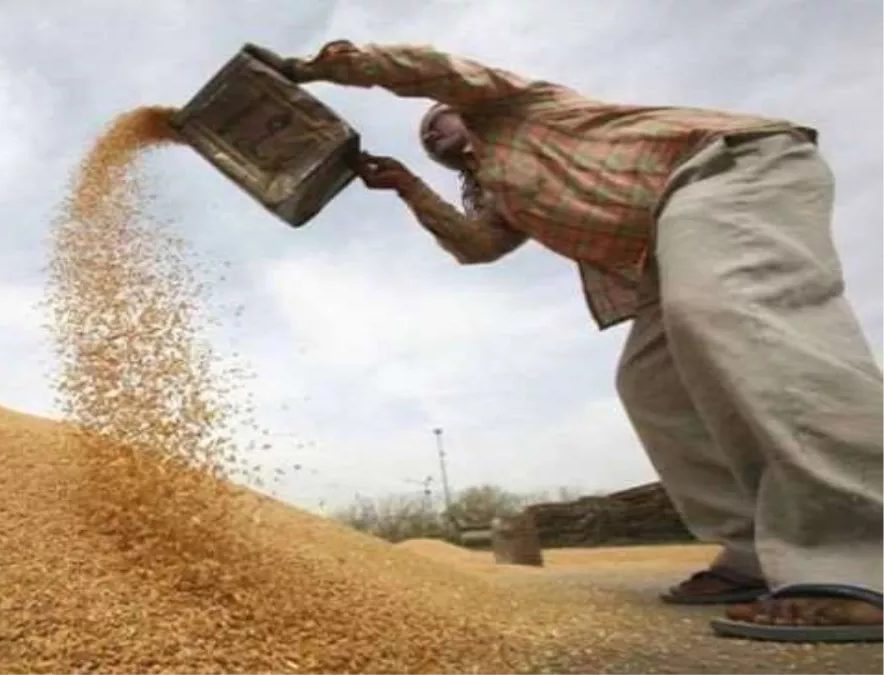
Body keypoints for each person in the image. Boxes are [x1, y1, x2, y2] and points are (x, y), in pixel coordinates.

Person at [250, 40, 884, 642]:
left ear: (464, 110)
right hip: (665, 245)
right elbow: (479, 247)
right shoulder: (504, 192)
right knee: (650, 385)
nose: (430, 136)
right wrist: (408, 187)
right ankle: (753, 551)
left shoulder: (514, 107)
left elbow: (428, 69)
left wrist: (310, 69)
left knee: (738, 312)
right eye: (426, 143)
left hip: (723, 171)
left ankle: (860, 559)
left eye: (436, 122)